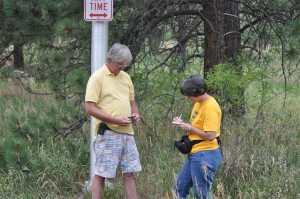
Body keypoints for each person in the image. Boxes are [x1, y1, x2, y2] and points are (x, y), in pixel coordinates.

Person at [85, 43, 142, 199]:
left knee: (129, 172)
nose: (121, 67)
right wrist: (114, 119)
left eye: (124, 64)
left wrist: (135, 114)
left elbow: (132, 103)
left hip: (128, 133)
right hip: (108, 133)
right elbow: (90, 108)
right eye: (119, 64)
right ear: (110, 59)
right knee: (102, 173)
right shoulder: (97, 78)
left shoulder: (126, 78)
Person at [172, 75, 223, 199]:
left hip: (205, 154)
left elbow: (210, 135)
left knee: (201, 193)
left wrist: (189, 127)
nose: (188, 98)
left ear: (196, 92)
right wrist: (183, 123)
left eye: (189, 95)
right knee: (179, 187)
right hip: (195, 153)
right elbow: (198, 126)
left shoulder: (210, 107)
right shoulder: (198, 103)